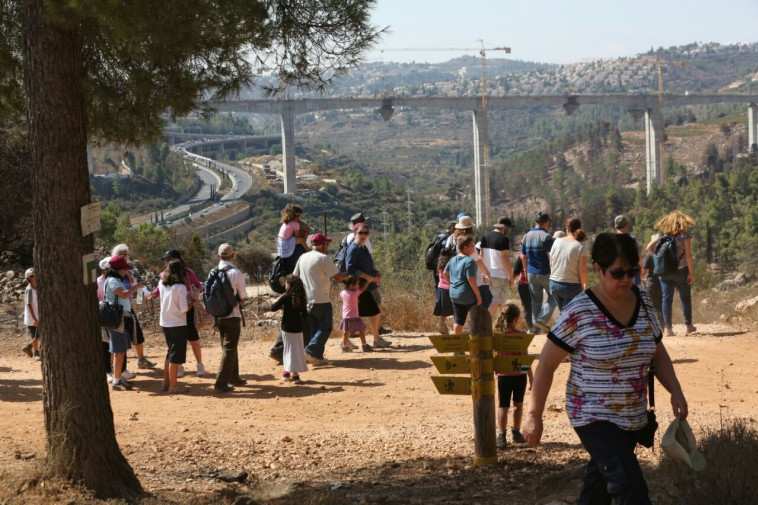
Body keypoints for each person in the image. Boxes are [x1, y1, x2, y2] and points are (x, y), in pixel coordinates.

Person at [523, 233, 689, 505]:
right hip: (592, 415)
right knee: (628, 485)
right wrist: (533, 415)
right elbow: (547, 364)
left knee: (599, 487)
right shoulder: (579, 311)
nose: (627, 280)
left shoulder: (644, 302)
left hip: (633, 416)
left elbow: (657, 353)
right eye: (617, 273)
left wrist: (676, 391)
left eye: (632, 271)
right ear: (598, 270)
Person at [290, 232, 349, 366]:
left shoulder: (303, 257)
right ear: (321, 245)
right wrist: (346, 276)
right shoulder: (324, 258)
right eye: (326, 244)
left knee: (315, 328)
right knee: (325, 328)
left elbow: (294, 276)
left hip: (307, 299)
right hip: (321, 298)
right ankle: (310, 350)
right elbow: (338, 278)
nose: (327, 246)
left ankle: (317, 357)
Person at [149, 249, 206, 377]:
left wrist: (195, 293)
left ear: (177, 260)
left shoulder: (188, 272)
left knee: (193, 338)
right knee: (176, 341)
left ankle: (199, 364)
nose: (167, 262)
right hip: (174, 311)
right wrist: (152, 294)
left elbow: (198, 285)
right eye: (166, 260)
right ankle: (178, 365)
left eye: (169, 260)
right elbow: (158, 290)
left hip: (187, 310)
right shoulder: (164, 275)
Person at [646, 210, 697, 336]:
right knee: (685, 299)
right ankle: (688, 326)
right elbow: (689, 255)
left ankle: (668, 329)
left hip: (665, 272)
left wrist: (657, 259)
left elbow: (648, 248)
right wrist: (690, 272)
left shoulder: (661, 235)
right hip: (681, 270)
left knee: (666, 299)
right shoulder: (684, 236)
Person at [345, 223, 392, 348]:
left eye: (366, 233)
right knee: (370, 312)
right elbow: (350, 268)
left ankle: (347, 341)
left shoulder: (363, 248)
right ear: (355, 233)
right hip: (359, 288)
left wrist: (377, 275)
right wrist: (367, 277)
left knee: (355, 314)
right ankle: (376, 339)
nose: (363, 235)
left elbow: (370, 267)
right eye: (361, 232)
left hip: (366, 287)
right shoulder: (353, 249)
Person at [110, 243, 156, 371]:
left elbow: (133, 283)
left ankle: (141, 359)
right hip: (117, 309)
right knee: (117, 339)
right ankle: (114, 368)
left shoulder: (127, 269)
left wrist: (128, 273)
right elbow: (124, 291)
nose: (127, 257)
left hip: (128, 306)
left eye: (127, 254)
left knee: (137, 333)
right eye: (124, 255)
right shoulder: (112, 273)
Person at [494, 303, 533, 449]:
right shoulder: (521, 336)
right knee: (518, 405)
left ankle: (501, 435)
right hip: (519, 376)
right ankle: (515, 432)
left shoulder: (497, 336)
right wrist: (530, 376)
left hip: (503, 376)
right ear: (517, 318)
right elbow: (524, 358)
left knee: (503, 406)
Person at [104, 255, 145, 391]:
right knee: (119, 351)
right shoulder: (113, 281)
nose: (125, 272)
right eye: (124, 269)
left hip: (119, 318)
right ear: (118, 269)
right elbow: (123, 294)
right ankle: (116, 381)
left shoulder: (113, 279)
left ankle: (118, 378)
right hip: (118, 319)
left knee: (119, 350)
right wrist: (137, 286)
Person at [213, 243, 247, 394]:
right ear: (233, 256)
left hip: (218, 316)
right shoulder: (236, 272)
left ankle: (234, 377)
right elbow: (243, 298)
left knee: (228, 347)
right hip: (232, 315)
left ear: (218, 256)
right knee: (229, 348)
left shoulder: (212, 272)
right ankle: (221, 383)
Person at [158, 260, 190, 394]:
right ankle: (173, 386)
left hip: (165, 322)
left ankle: (166, 382)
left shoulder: (161, 284)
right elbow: (184, 309)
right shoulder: (180, 287)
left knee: (170, 352)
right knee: (175, 356)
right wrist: (193, 301)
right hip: (177, 323)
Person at [521, 211, 556, 334]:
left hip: (531, 272)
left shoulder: (526, 236)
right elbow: (550, 256)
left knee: (536, 301)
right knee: (554, 297)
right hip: (545, 272)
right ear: (546, 222)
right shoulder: (546, 237)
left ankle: (535, 330)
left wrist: (525, 271)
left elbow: (523, 257)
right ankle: (541, 320)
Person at [270, 275, 309, 385]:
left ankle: (285, 373)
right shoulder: (302, 298)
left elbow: (273, 308)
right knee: (296, 351)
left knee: (287, 349)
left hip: (286, 328)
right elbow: (305, 315)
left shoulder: (285, 297)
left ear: (289, 285)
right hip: (298, 328)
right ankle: (295, 375)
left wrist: (281, 298)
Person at [443, 236, 482, 334]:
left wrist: (451, 284)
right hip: (467, 295)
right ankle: (476, 345)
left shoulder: (452, 260)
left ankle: (457, 346)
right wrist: (478, 296)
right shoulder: (470, 261)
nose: (474, 247)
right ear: (465, 248)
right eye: (471, 245)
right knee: (477, 320)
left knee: (459, 321)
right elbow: (471, 279)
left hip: (454, 294)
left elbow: (444, 273)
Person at [549, 217, 588, 310]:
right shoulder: (580, 246)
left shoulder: (557, 241)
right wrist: (584, 287)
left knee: (564, 315)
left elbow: (551, 262)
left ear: (567, 229)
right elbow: (583, 270)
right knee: (570, 317)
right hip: (571, 286)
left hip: (554, 283)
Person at [480, 216, 514, 317]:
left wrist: (483, 272)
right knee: (497, 301)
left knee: (499, 302)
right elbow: (505, 259)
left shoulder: (485, 237)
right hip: (500, 274)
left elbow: (481, 256)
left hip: (489, 273)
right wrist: (510, 275)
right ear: (505, 227)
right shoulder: (503, 239)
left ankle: (499, 325)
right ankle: (485, 323)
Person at [339, 275, 373, 352]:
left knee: (346, 332)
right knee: (361, 330)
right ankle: (364, 345)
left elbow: (342, 300)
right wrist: (367, 282)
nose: (359, 285)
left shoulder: (342, 293)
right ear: (351, 285)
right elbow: (363, 289)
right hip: (355, 316)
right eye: (357, 283)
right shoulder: (355, 293)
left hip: (346, 316)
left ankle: (344, 346)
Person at [277, 204, 309, 274]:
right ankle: (309, 251)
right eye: (300, 215)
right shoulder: (295, 224)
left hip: (280, 242)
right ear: (296, 215)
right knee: (302, 240)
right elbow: (298, 237)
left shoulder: (286, 222)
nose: (301, 217)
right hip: (286, 242)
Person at [614, 215, 642, 286]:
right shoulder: (632, 239)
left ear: (616, 227)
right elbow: (638, 257)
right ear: (626, 226)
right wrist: (641, 269)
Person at [641, 251, 664, 328]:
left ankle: (658, 324)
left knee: (653, 305)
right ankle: (664, 325)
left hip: (651, 283)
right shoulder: (664, 253)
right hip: (664, 283)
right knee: (661, 305)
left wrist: (637, 279)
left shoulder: (649, 255)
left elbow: (644, 270)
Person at [22, 268, 40, 361]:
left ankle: (28, 347)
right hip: (31, 317)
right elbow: (29, 304)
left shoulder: (37, 288)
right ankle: (36, 353)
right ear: (30, 278)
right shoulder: (29, 290)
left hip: (37, 315)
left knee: (39, 335)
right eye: (35, 275)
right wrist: (34, 318)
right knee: (35, 335)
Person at [512, 254, 534, 333]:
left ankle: (531, 328)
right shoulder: (539, 252)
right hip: (538, 284)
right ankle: (538, 326)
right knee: (536, 305)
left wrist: (510, 281)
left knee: (527, 307)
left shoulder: (522, 256)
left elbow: (516, 271)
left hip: (524, 285)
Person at [433, 254, 454, 334]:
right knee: (456, 310)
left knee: (444, 311)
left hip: (441, 289)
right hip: (450, 289)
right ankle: (461, 327)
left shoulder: (440, 266)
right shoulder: (450, 266)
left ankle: (441, 325)